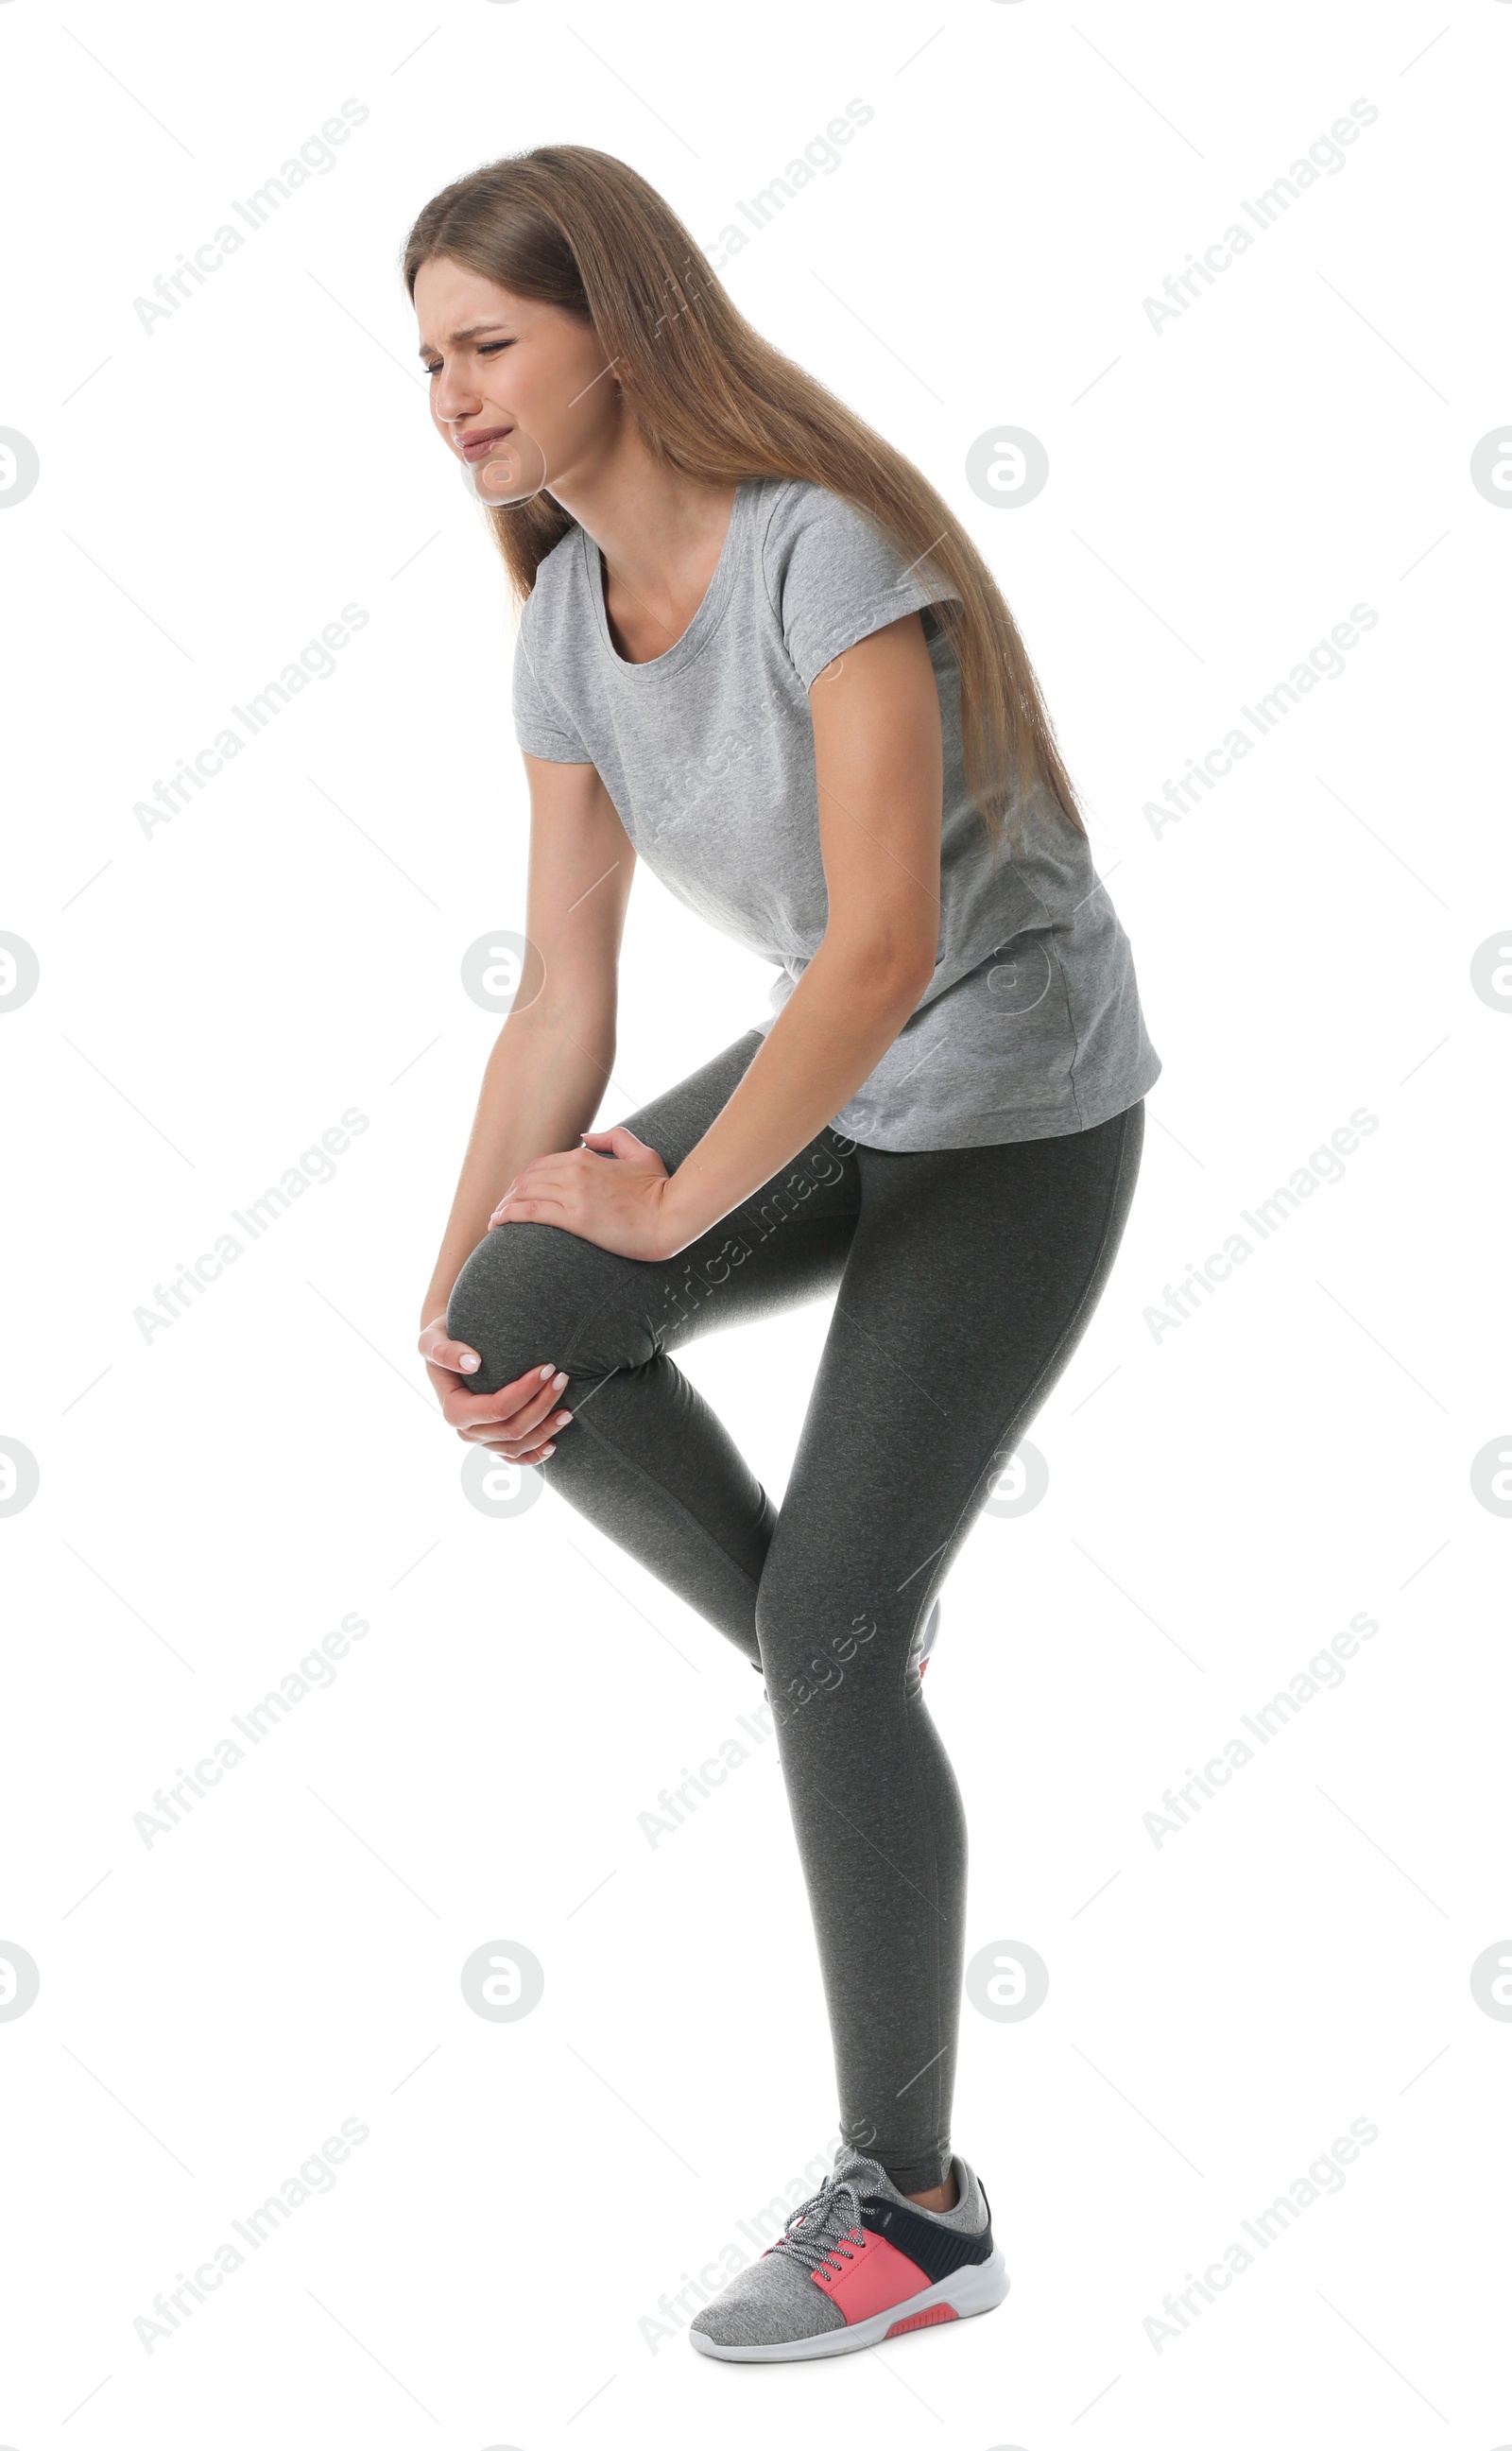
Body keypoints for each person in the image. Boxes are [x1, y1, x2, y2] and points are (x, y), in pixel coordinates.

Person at [409, 145, 1160, 2363]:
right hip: (841, 1093)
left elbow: (884, 952)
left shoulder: (826, 553)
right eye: (427, 358)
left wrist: (659, 1196)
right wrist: (459, 1287)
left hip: (1015, 1113)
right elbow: (560, 994)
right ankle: (836, 1664)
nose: (450, 395)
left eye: (487, 344)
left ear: (615, 331)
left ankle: (910, 2207)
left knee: (833, 1621)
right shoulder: (563, 623)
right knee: (559, 1350)